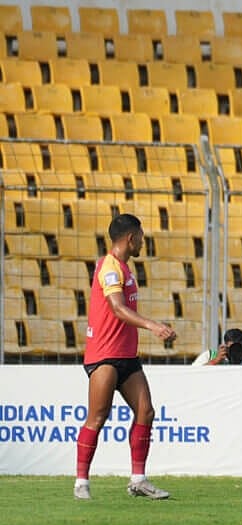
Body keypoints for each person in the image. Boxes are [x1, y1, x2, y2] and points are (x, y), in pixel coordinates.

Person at [75, 213, 177, 500]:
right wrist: (153, 325)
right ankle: (81, 482)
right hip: (104, 355)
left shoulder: (124, 268)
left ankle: (138, 480)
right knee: (97, 416)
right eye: (141, 237)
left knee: (146, 411)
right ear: (131, 238)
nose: (143, 242)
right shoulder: (109, 267)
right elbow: (118, 308)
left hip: (126, 356)